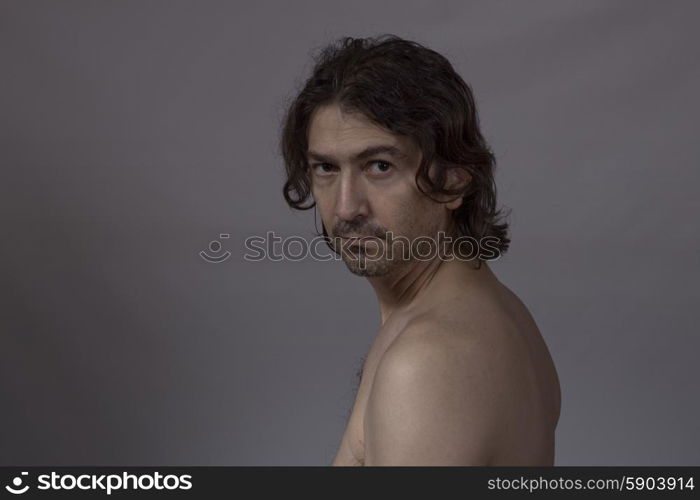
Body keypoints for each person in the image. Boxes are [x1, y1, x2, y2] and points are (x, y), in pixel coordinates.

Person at [279, 34, 560, 466]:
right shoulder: (497, 310)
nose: (345, 206)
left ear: (453, 180)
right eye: (327, 168)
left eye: (380, 166)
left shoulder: (429, 360)